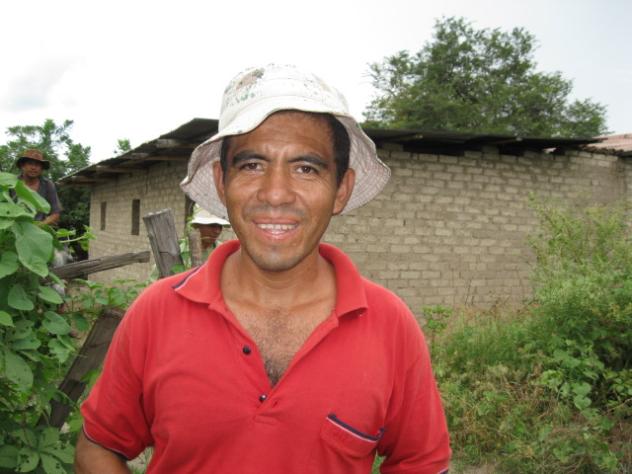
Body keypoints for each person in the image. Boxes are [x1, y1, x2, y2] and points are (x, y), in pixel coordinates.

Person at [75, 64, 451, 474]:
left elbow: (421, 463)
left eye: (306, 168)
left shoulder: (390, 325)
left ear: (341, 189)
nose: (275, 194)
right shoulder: (157, 311)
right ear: (221, 183)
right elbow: (98, 447)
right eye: (252, 165)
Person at [15, 148, 62, 225]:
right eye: (30, 163)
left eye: (37, 165)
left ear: (41, 169)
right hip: (14, 226)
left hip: (39, 226)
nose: (33, 168)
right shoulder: (12, 183)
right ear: (23, 166)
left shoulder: (48, 185)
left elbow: (55, 214)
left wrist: (38, 226)